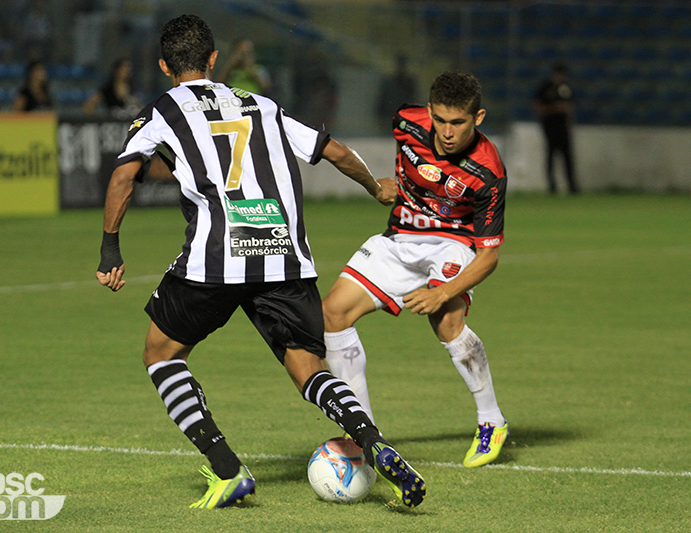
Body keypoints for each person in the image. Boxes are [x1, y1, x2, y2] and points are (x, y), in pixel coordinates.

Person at [95, 14, 426, 509]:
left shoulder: (161, 111)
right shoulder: (262, 104)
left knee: (160, 354)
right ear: (213, 58)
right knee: (309, 370)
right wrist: (375, 186)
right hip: (284, 255)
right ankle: (372, 440)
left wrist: (110, 248)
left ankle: (227, 468)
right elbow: (333, 150)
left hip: (217, 257)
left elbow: (124, 177)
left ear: (164, 66)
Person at [322, 71, 509, 469]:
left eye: (457, 122)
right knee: (333, 314)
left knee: (446, 320)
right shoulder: (406, 122)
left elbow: (488, 257)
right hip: (400, 237)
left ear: (478, 118)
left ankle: (491, 420)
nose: (447, 132)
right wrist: (383, 185)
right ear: (428, 111)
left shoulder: (488, 172)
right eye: (439, 119)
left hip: (454, 243)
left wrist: (443, 291)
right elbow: (404, 167)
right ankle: (365, 435)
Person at [534, 63, 579, 194]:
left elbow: (570, 107)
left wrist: (569, 120)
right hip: (550, 126)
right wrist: (555, 108)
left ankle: (572, 186)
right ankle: (552, 186)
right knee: (551, 156)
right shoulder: (546, 87)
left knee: (567, 157)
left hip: (563, 127)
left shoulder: (566, 87)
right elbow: (538, 107)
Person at [376, 54, 418, 130]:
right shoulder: (389, 82)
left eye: (403, 65)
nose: (401, 67)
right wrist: (381, 119)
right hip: (390, 118)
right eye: (400, 64)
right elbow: (382, 101)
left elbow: (414, 100)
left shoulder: (409, 82)